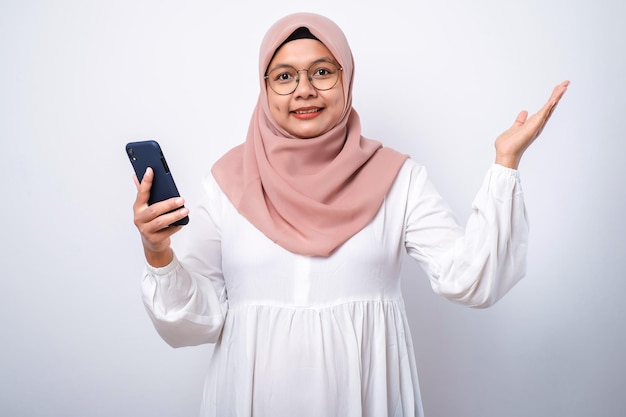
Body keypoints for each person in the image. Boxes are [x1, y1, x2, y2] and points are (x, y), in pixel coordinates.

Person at [131, 12, 569, 417]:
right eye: (284, 76)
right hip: (251, 395)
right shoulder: (227, 181)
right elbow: (196, 322)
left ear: (347, 78)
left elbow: (469, 278)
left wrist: (505, 162)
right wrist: (159, 253)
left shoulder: (398, 178)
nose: (304, 89)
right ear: (264, 88)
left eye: (322, 71)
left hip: (363, 396)